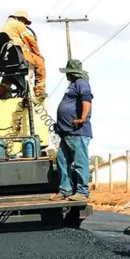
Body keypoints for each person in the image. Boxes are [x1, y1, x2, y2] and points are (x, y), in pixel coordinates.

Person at [50, 59, 93, 201]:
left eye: (67, 73)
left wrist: (82, 118)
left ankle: (82, 192)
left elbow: (86, 100)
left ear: (72, 73)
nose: (66, 75)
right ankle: (65, 190)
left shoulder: (81, 83)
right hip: (67, 132)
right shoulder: (73, 85)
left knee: (80, 162)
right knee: (62, 160)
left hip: (77, 132)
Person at [0, 10, 46, 98]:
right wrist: (38, 54)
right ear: (21, 18)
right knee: (40, 62)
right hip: (18, 54)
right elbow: (31, 41)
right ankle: (39, 91)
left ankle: (2, 89)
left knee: (10, 72)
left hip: (4, 59)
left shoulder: (4, 26)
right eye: (25, 22)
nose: (25, 24)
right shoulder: (19, 24)